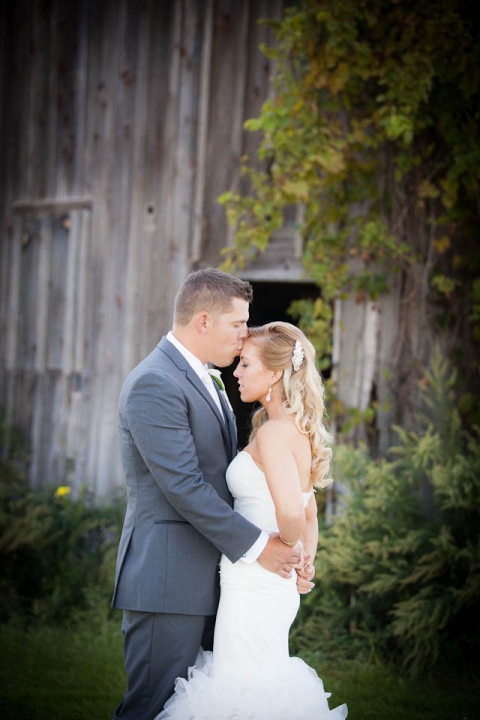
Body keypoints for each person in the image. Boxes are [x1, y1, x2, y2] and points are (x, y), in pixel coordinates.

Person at [111, 270, 303, 720]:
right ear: (203, 321)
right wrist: (260, 548)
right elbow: (183, 486)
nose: (243, 337)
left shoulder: (207, 379)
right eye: (238, 324)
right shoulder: (154, 382)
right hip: (167, 580)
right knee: (151, 708)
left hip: (213, 577)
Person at [155, 321, 348, 720]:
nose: (236, 372)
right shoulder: (291, 428)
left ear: (274, 373)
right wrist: (305, 558)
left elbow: (294, 513)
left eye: (245, 364)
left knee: (241, 689)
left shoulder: (277, 433)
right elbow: (310, 511)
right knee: (258, 681)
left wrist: (288, 546)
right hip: (266, 581)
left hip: (256, 581)